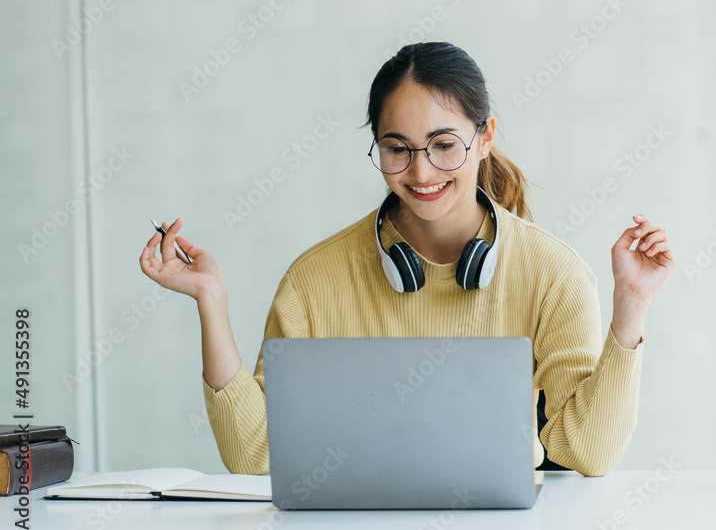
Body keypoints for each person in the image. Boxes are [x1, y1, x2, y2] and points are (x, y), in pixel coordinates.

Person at [139, 41, 675, 477]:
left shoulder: (553, 272)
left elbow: (586, 452)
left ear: (484, 136)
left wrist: (630, 307)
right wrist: (211, 300)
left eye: (444, 144)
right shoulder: (313, 280)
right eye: (396, 148)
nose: (421, 174)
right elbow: (255, 457)